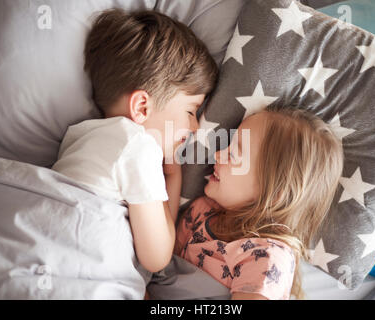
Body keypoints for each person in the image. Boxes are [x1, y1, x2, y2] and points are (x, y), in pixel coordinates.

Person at [52, 8, 218, 273]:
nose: (195, 126)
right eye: (190, 111)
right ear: (142, 107)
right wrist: (173, 178)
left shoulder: (79, 135)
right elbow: (157, 257)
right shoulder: (138, 147)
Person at [175, 107, 344, 299]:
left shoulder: (267, 256)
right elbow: (162, 267)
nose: (218, 154)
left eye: (232, 155)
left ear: (274, 193)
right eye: (227, 146)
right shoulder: (201, 210)